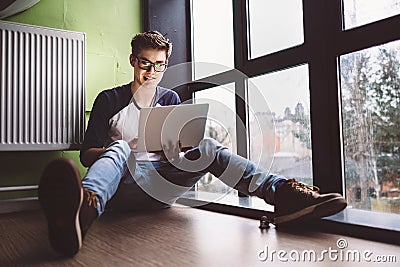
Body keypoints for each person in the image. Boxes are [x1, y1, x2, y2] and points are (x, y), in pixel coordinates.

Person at [38, 31, 347, 256]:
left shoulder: (171, 99)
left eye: (159, 65)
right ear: (133, 60)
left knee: (209, 147)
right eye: (145, 63)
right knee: (119, 149)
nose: (152, 72)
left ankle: (281, 193)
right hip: (122, 187)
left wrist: (177, 153)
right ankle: (83, 212)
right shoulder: (109, 99)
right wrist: (120, 151)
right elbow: (87, 155)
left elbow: (186, 151)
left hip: (163, 185)